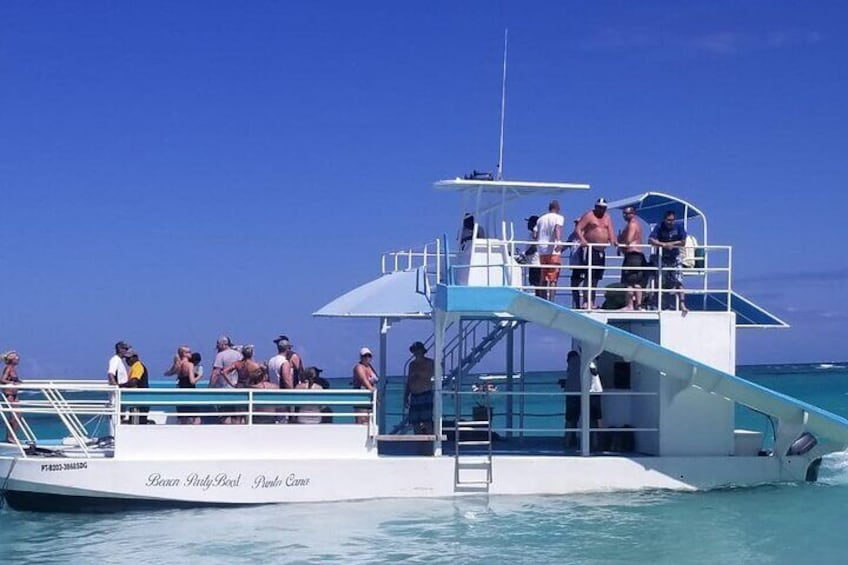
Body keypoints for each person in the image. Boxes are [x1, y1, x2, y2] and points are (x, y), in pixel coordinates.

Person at [575, 198, 617, 308]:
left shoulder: (607, 217)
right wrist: (582, 240)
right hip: (591, 250)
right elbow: (578, 228)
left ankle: (592, 301)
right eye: (599, 207)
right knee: (589, 276)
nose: (601, 210)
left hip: (602, 251)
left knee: (596, 278)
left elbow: (610, 230)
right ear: (595, 207)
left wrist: (613, 240)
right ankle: (586, 301)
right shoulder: (589, 215)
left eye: (603, 208)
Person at [648, 210, 689, 313]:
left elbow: (683, 242)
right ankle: (659, 304)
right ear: (664, 219)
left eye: (672, 220)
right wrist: (663, 244)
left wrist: (671, 244)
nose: (670, 222)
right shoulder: (659, 227)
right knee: (660, 281)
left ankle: (682, 305)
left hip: (675, 257)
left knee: (678, 281)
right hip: (662, 257)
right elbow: (650, 240)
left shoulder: (679, 226)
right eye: (668, 220)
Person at [222, 345, 265, 424]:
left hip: (239, 387)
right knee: (248, 414)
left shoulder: (238, 364)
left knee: (238, 414)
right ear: (252, 354)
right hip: (249, 388)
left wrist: (231, 384)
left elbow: (224, 372)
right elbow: (260, 379)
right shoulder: (255, 365)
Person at [534, 200, 565, 301]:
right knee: (553, 277)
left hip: (542, 250)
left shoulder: (540, 219)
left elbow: (535, 234)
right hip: (553, 250)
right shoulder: (559, 218)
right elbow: (557, 229)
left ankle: (543, 299)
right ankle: (552, 301)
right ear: (557, 208)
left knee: (543, 276)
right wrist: (559, 242)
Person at [618, 206, 646, 310]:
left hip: (632, 255)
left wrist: (619, 245)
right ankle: (638, 305)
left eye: (627, 213)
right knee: (637, 282)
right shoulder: (636, 224)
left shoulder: (632, 224)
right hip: (637, 256)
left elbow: (628, 241)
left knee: (629, 282)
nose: (625, 216)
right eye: (624, 213)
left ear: (633, 213)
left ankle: (630, 305)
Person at [404, 341, 434, 434]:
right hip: (414, 395)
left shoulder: (430, 362)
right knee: (415, 422)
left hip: (425, 394)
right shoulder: (412, 364)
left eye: (418, 350)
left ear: (422, 351)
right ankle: (419, 443)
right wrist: (406, 396)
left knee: (427, 421)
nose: (416, 352)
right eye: (414, 350)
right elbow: (409, 381)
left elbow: (430, 375)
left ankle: (430, 444)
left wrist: (419, 374)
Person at [169, 346, 202, 425]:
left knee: (183, 418)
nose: (191, 353)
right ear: (184, 354)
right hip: (190, 393)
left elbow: (168, 373)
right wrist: (200, 375)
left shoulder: (178, 364)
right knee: (196, 419)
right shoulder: (189, 365)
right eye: (189, 352)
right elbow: (192, 381)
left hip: (180, 392)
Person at [123, 349, 150, 425]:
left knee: (136, 425)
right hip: (139, 401)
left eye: (128, 358)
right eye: (126, 359)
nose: (127, 361)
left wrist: (120, 385)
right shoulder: (135, 366)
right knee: (138, 423)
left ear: (135, 357)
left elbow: (133, 382)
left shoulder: (138, 366)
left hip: (140, 401)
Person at [352, 347, 378, 424]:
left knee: (369, 420)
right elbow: (364, 380)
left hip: (369, 398)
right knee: (361, 420)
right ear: (361, 357)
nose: (367, 358)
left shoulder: (370, 367)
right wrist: (372, 391)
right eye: (365, 356)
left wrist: (376, 397)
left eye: (369, 356)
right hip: (361, 397)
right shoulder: (359, 367)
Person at [1, 351, 23, 443]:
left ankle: (11, 437)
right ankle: (11, 437)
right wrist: (11, 383)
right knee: (15, 416)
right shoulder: (9, 368)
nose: (18, 359)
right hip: (9, 394)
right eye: (16, 358)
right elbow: (2, 379)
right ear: (12, 360)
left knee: (18, 415)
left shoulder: (13, 369)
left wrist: (18, 381)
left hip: (14, 394)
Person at [522, 215, 543, 297]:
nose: (528, 224)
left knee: (537, 282)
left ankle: (540, 299)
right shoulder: (531, 234)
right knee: (535, 282)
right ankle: (538, 298)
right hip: (532, 261)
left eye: (530, 222)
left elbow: (534, 247)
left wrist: (525, 254)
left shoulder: (537, 233)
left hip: (536, 262)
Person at [565, 219, 584, 308]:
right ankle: (577, 305)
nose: (576, 225)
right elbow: (565, 246)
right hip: (575, 265)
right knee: (574, 285)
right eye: (576, 223)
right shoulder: (572, 235)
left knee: (586, 285)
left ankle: (585, 304)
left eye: (578, 223)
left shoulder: (585, 234)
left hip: (583, 264)